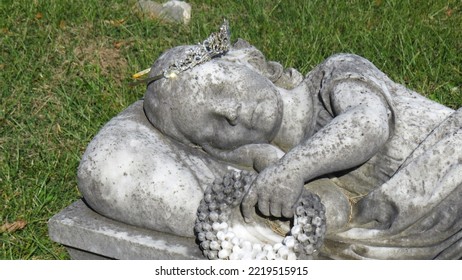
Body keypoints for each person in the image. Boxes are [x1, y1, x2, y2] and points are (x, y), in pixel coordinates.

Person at [78, 37, 461, 259]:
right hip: (424, 223)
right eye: (212, 129)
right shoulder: (289, 179)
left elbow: (369, 124)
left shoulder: (333, 75)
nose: (229, 114)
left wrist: (293, 168)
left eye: (219, 89)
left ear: (245, 60)